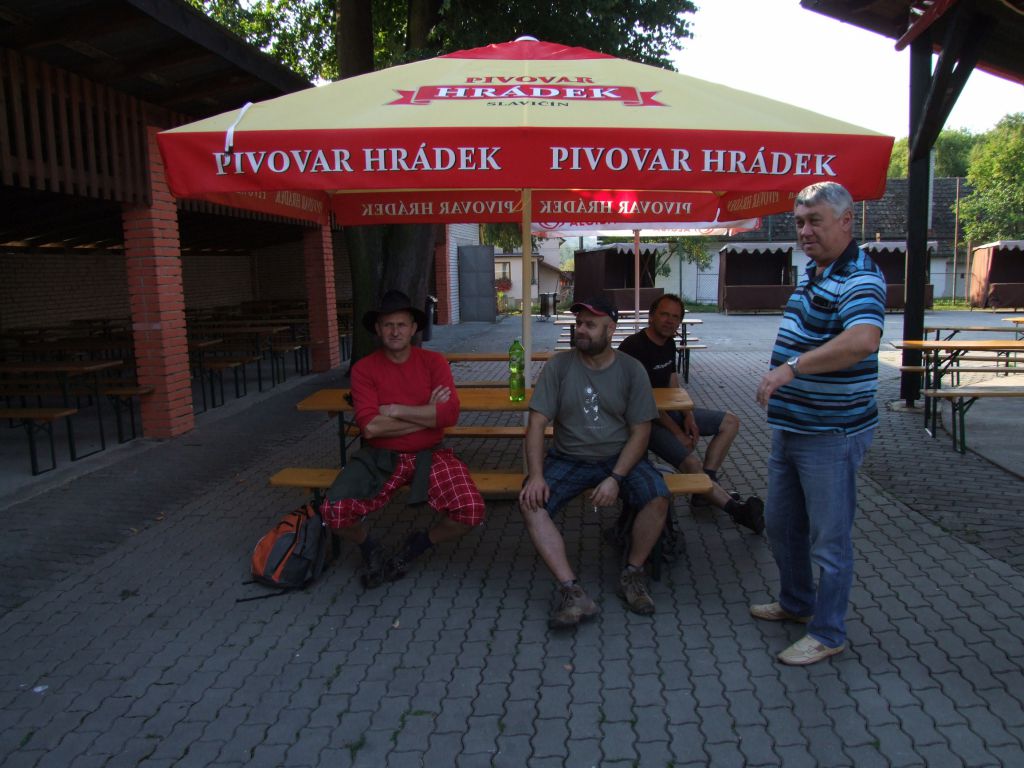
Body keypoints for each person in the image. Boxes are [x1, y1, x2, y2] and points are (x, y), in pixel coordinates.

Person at [752, 181, 885, 666]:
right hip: (793, 428)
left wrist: (791, 368)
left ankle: (828, 632)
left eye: (814, 222)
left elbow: (863, 340)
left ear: (846, 222)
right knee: (781, 525)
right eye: (799, 222)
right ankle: (796, 603)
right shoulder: (816, 270)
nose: (804, 231)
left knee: (829, 539)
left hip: (831, 432)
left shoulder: (860, 276)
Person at [519, 295, 670, 628]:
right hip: (569, 457)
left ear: (611, 329)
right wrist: (536, 475)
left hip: (619, 457)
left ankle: (632, 574)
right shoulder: (559, 366)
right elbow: (537, 424)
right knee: (531, 503)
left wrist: (616, 477)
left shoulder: (631, 370)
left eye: (590, 324)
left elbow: (641, 431)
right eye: (579, 324)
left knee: (658, 497)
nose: (581, 330)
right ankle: (572, 592)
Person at [320, 289, 484, 588]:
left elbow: (449, 416)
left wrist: (395, 410)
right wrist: (427, 416)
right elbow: (371, 429)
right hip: (380, 456)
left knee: (470, 510)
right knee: (334, 511)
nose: (395, 331)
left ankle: (419, 544)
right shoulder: (364, 369)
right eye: (388, 325)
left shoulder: (434, 362)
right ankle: (370, 546)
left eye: (401, 324)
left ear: (413, 328)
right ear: (378, 329)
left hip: (431, 453)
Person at [618, 293, 764, 534]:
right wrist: (677, 433)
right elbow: (643, 403)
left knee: (730, 422)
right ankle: (737, 511)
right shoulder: (633, 347)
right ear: (651, 316)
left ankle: (705, 488)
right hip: (642, 422)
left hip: (667, 413)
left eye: (675, 317)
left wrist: (689, 417)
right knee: (691, 463)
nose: (669, 321)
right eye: (664, 314)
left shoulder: (669, 342)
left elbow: (672, 382)